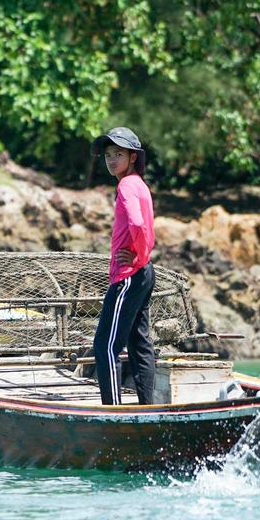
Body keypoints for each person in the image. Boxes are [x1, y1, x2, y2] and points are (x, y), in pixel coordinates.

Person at [91, 127, 157, 405]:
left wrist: (138, 257)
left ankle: (114, 412)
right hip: (144, 274)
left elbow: (138, 224)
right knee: (139, 344)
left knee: (105, 347)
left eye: (118, 154)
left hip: (129, 275)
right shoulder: (140, 184)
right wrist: (143, 259)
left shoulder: (127, 185)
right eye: (108, 154)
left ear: (133, 157)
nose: (111, 159)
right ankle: (148, 408)